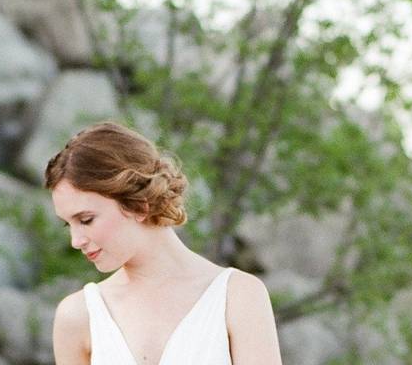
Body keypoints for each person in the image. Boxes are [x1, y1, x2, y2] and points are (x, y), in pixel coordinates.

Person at [46, 121, 283, 365]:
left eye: (86, 220)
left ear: (137, 204)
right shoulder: (77, 316)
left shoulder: (238, 296)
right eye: (68, 224)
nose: (75, 241)